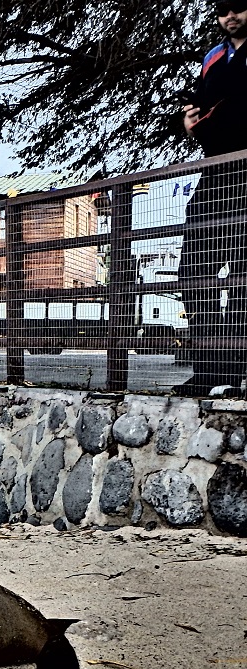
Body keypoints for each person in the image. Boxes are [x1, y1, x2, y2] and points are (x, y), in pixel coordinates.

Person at [177, 0, 247, 395]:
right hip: (216, 172)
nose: (230, 16)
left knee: (242, 279)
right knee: (194, 271)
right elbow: (200, 106)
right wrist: (188, 122)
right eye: (223, 10)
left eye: (238, 7)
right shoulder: (214, 57)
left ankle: (238, 371)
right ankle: (210, 369)